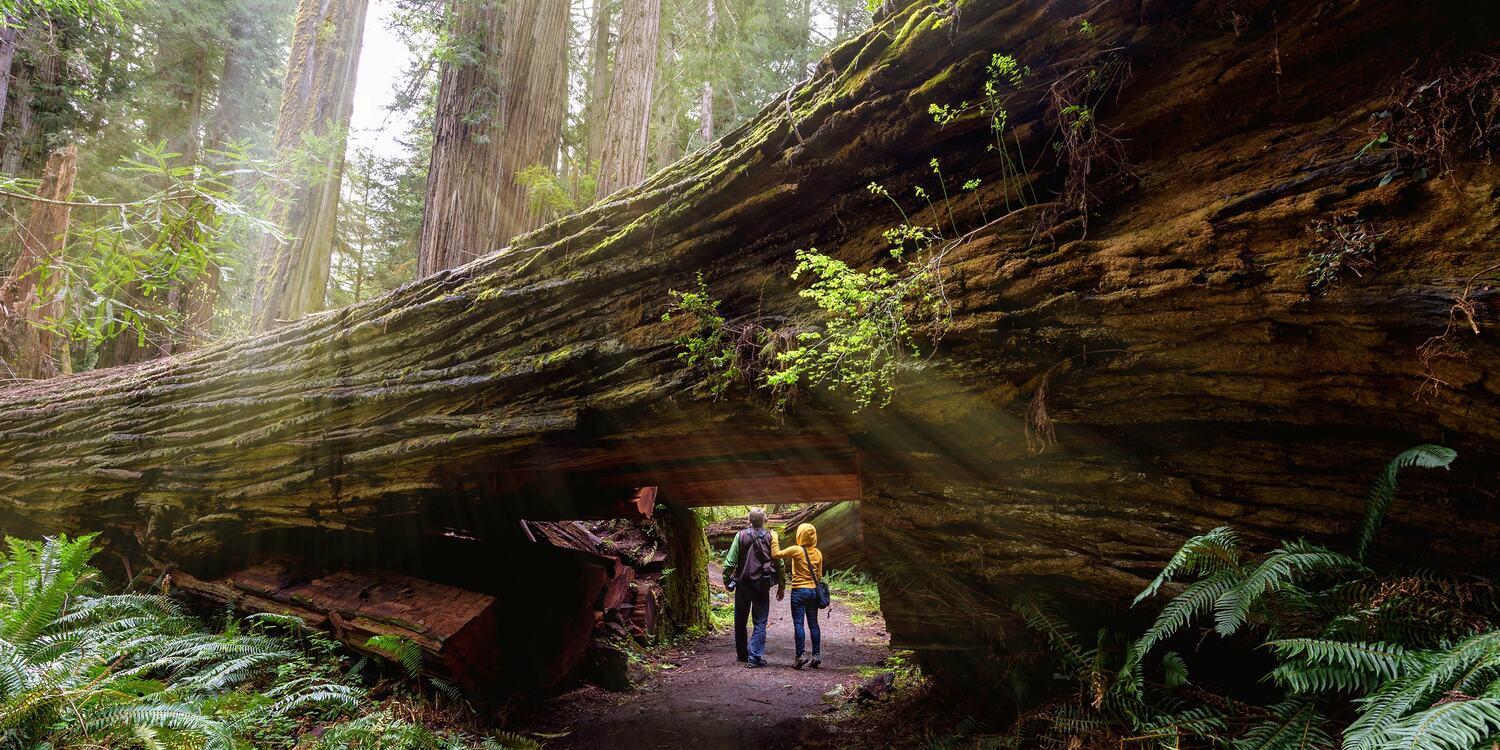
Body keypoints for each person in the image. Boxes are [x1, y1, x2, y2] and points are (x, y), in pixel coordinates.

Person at [722, 508, 784, 667]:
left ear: (749, 520)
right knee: (760, 620)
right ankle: (755, 657)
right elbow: (779, 563)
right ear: (765, 520)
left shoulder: (740, 535)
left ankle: (742, 654)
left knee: (740, 619)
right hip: (762, 584)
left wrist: (726, 579)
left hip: (743, 584)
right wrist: (782, 585)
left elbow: (730, 562)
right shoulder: (771, 536)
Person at [773, 522, 824, 670]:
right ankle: (816, 656)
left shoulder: (796, 550)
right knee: (813, 624)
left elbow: (776, 554)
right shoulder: (818, 553)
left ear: (800, 535)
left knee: (799, 623)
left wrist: (774, 537)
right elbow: (819, 575)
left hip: (799, 591)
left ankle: (800, 656)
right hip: (813, 591)